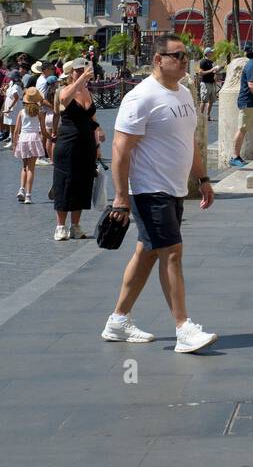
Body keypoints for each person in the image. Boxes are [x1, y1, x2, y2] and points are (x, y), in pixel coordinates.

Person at [101, 34, 216, 353]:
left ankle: (118, 320)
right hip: (149, 189)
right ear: (158, 59)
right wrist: (120, 196)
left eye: (186, 56)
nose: (184, 61)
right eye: (177, 56)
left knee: (148, 252)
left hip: (175, 188)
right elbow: (120, 149)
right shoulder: (141, 97)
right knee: (172, 252)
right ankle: (184, 328)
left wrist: (203, 177)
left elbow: (188, 140)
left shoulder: (183, 93)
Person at [52, 58, 104, 241]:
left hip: (86, 144)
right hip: (67, 143)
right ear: (71, 72)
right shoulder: (64, 90)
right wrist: (80, 80)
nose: (82, 72)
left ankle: (75, 225)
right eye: (78, 70)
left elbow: (93, 119)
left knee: (82, 184)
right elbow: (65, 100)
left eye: (84, 69)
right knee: (64, 183)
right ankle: (60, 226)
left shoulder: (87, 92)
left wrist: (98, 141)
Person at [13, 87, 47, 204]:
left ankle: (21, 189)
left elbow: (16, 130)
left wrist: (14, 144)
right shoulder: (40, 112)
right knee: (31, 169)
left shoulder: (21, 112)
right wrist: (50, 137)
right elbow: (43, 130)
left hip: (23, 139)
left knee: (24, 166)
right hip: (34, 138)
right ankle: (28, 195)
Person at [2, 71, 24, 149]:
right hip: (12, 105)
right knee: (11, 124)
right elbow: (9, 95)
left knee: (14, 125)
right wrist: (3, 90)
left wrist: (9, 108)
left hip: (15, 107)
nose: (9, 78)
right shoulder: (12, 83)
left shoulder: (16, 86)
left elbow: (16, 98)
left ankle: (14, 142)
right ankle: (12, 141)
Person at [197, 48, 218, 123]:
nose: (212, 53)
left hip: (212, 83)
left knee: (211, 101)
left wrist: (215, 72)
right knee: (204, 101)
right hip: (205, 83)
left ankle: (208, 116)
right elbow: (200, 73)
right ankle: (200, 117)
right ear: (207, 53)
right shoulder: (203, 61)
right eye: (211, 52)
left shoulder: (211, 62)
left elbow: (213, 72)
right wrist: (211, 70)